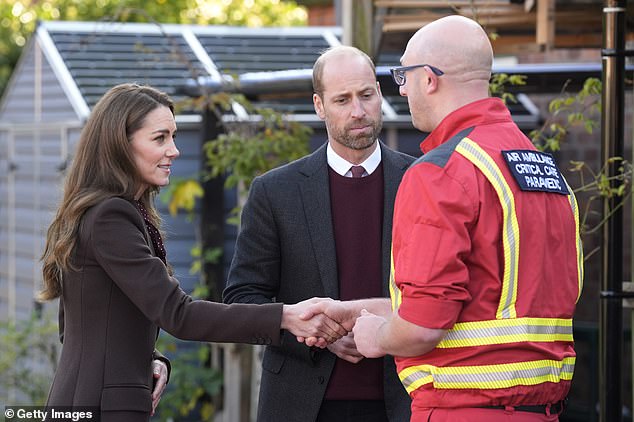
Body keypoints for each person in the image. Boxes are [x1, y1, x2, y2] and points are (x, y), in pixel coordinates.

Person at [326, 15, 583, 422]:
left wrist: (375, 336)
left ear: (429, 79)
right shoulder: (541, 168)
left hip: (464, 405)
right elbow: (487, 299)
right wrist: (361, 310)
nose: (403, 89)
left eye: (404, 76)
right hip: (541, 410)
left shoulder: (441, 173)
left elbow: (424, 325)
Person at [39, 83, 347, 422]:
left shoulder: (105, 212)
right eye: (160, 138)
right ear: (119, 146)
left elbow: (85, 325)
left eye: (173, 136)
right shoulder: (112, 217)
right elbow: (179, 315)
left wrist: (150, 359)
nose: (174, 150)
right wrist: (286, 317)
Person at [222, 46, 414, 422]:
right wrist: (319, 336)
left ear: (379, 92)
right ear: (319, 105)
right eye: (342, 99)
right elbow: (243, 297)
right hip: (302, 401)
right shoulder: (275, 192)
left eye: (366, 95)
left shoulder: (421, 181)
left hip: (405, 398)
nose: (358, 111)